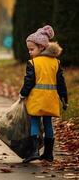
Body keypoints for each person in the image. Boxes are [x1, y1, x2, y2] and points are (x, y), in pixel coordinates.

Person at [20, 25, 68, 163]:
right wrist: (64, 98)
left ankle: (34, 151)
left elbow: (29, 82)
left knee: (35, 122)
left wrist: (23, 94)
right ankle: (48, 153)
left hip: (37, 99)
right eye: (28, 49)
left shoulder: (33, 63)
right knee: (48, 124)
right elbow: (61, 82)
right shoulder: (56, 62)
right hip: (51, 99)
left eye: (31, 49)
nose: (29, 52)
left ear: (41, 47)